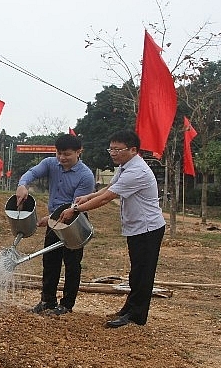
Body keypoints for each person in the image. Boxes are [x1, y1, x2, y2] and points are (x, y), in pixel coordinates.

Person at [58, 129, 165, 328]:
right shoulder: (125, 167)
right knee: (136, 272)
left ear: (133, 150)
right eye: (111, 149)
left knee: (143, 273)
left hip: (148, 228)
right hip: (137, 227)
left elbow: (108, 198)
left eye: (118, 149)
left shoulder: (136, 171)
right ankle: (129, 309)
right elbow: (108, 189)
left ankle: (136, 316)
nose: (113, 153)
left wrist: (75, 209)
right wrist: (87, 197)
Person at [15, 134, 95, 315]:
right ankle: (47, 301)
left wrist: (50, 218)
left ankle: (66, 304)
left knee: (72, 264)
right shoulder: (51, 163)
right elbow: (32, 173)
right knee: (50, 261)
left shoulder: (85, 176)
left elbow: (75, 205)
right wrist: (23, 185)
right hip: (54, 221)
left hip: (74, 221)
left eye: (67, 154)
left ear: (78, 152)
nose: (62, 158)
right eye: (59, 153)